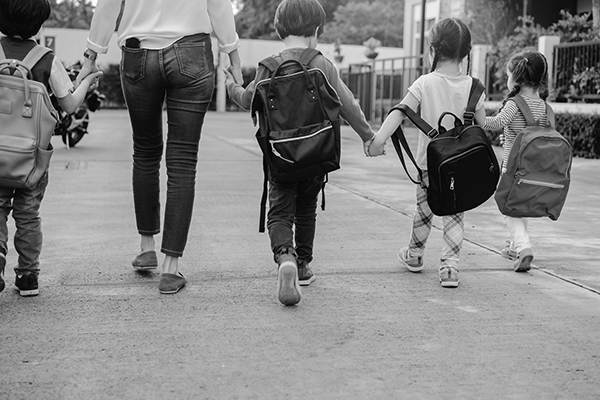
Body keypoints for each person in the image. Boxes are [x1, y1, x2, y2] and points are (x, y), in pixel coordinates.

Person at [77, 0, 243, 294]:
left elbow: (108, 6)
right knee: (182, 161)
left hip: (138, 53)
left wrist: (91, 56)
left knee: (145, 152)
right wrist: (232, 54)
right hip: (192, 52)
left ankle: (147, 247)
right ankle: (170, 268)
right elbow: (218, 5)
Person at [224, 0, 375, 305]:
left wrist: (231, 85)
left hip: (280, 158)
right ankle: (303, 265)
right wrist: (368, 136)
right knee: (306, 208)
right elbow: (348, 106)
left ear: (280, 29)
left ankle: (286, 259)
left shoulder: (267, 67)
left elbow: (246, 100)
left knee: (280, 212)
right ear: (316, 30)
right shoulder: (321, 64)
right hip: (317, 155)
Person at [368, 18, 486, 288]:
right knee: (455, 213)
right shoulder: (474, 87)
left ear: (433, 51)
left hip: (429, 165)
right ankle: (450, 269)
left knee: (424, 210)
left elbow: (400, 111)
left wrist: (378, 140)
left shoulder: (424, 82)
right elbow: (482, 124)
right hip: (463, 165)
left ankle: (415, 255)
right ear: (466, 53)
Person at [0, 0, 102, 296]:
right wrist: (86, 80)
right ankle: (28, 276)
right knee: (28, 215)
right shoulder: (46, 59)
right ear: (39, 24)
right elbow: (69, 105)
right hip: (32, 159)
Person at [483, 50, 551, 272]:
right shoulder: (542, 105)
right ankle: (514, 246)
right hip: (533, 167)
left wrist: (477, 114)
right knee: (520, 206)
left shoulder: (514, 103)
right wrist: (510, 134)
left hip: (512, 167)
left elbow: (495, 124)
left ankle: (524, 247)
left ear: (516, 77)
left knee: (508, 208)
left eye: (508, 75)